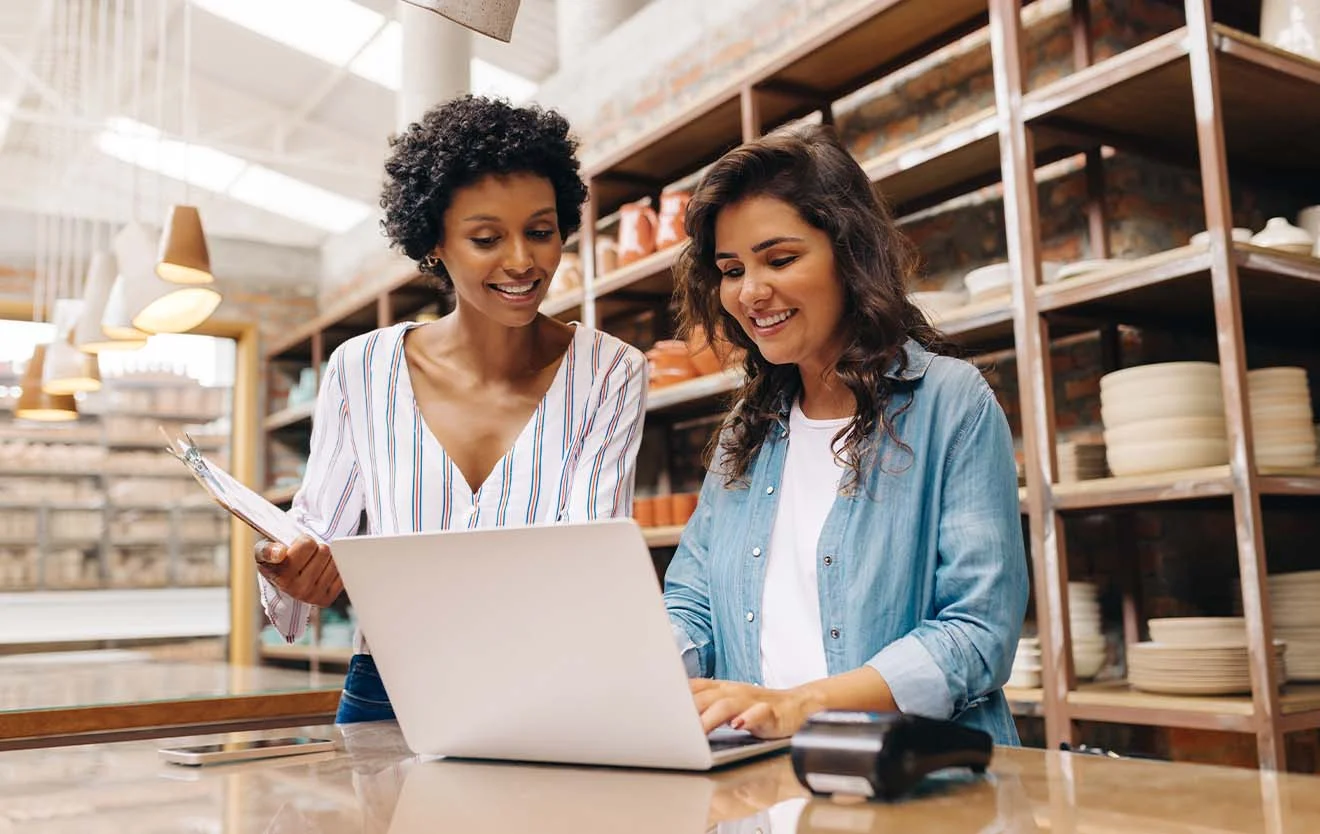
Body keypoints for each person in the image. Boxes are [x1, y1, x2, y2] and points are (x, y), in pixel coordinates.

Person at [254, 95, 648, 724]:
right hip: (389, 686)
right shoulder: (362, 369)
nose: (522, 260)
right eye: (487, 237)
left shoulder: (609, 372)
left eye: (541, 232)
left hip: (549, 685)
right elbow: (317, 530)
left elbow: (589, 558)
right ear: (435, 242)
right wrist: (289, 568)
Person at [664, 124, 1027, 744]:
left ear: (850, 254)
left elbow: (976, 634)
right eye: (731, 269)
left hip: (910, 783)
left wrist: (798, 706)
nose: (751, 292)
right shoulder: (744, 433)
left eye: (780, 259)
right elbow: (693, 604)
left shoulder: (951, 402)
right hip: (763, 783)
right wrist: (628, 672)